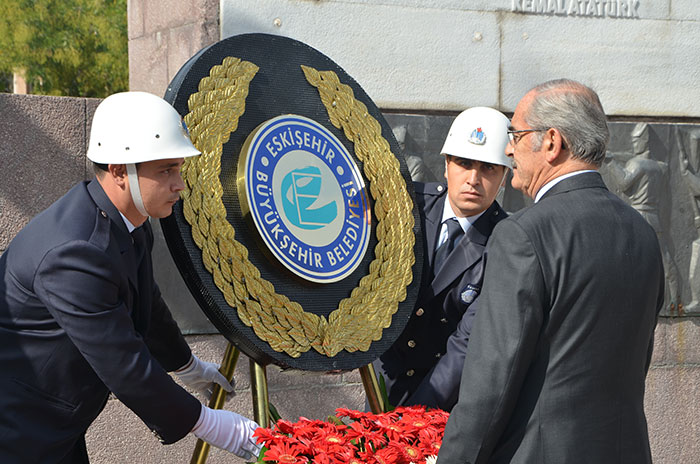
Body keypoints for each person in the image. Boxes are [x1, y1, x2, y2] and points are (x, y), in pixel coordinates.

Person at [0, 92, 260, 463]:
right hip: (17, 429)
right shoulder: (76, 252)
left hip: (50, 425)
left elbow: (146, 305)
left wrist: (187, 365)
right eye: (166, 170)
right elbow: (122, 363)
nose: (179, 184)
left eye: (178, 168)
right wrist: (215, 426)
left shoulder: (128, 223)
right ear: (120, 171)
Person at [437, 79, 664, 464]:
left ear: (552, 143)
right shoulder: (641, 232)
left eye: (517, 135)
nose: (509, 149)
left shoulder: (522, 234)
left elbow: (491, 381)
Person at [374, 107, 511, 411]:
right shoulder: (407, 207)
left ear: (503, 177)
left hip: (446, 399)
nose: (474, 179)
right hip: (380, 381)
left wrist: (415, 418)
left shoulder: (507, 242)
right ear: (446, 164)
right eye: (464, 163)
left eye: (488, 168)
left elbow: (466, 345)